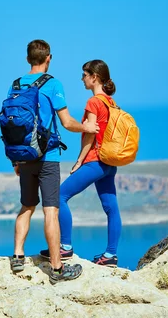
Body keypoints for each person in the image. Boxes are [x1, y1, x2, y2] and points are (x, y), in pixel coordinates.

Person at [9, 40, 99, 284]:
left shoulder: (15, 85)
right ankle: (57, 270)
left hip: (24, 157)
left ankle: (18, 256)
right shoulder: (53, 84)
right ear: (48, 58)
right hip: (48, 156)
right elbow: (68, 122)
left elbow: (13, 126)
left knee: (27, 206)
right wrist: (88, 126)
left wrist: (16, 159)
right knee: (51, 210)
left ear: (28, 59)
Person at [39, 59, 122, 267]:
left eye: (85, 74)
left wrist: (79, 161)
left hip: (95, 160)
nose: (82, 78)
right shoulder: (111, 102)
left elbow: (89, 134)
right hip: (109, 162)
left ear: (94, 77)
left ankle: (65, 247)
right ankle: (111, 255)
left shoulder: (93, 102)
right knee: (111, 207)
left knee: (59, 196)